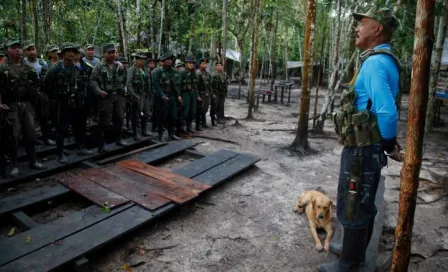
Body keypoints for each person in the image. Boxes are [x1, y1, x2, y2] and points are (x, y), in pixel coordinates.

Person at [318, 7, 404, 272]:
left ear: (377, 29)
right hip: (365, 148)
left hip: (362, 150)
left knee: (354, 201)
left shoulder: (376, 62)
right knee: (362, 199)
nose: (357, 28)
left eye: (363, 23)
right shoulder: (383, 59)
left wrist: (388, 144)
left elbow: (387, 110)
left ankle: (351, 262)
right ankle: (354, 250)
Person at [0, 39, 46, 176]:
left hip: (27, 104)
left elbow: (37, 86)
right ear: (7, 50)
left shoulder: (28, 68)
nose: (17, 50)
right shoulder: (3, 68)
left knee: (31, 133)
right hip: (11, 105)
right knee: (13, 136)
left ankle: (33, 161)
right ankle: (14, 164)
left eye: (19, 47)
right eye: (13, 48)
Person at [43, 43, 94, 163]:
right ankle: (60, 153)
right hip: (62, 103)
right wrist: (55, 99)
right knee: (62, 129)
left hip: (76, 102)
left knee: (80, 126)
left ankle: (81, 147)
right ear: (63, 54)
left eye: (73, 51)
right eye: (68, 51)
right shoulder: (55, 69)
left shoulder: (77, 68)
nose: (71, 53)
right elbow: (46, 86)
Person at [90, 43, 128, 153]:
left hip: (118, 96)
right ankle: (102, 144)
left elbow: (124, 79)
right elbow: (92, 80)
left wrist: (122, 91)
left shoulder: (119, 65)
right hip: (106, 97)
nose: (112, 55)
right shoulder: (99, 66)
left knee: (120, 118)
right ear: (104, 54)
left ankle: (118, 139)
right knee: (104, 121)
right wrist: (99, 91)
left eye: (113, 52)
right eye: (109, 53)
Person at [23, 40, 55, 146]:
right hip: (28, 95)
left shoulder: (42, 63)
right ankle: (32, 139)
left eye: (33, 49)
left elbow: (47, 79)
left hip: (41, 94)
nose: (31, 52)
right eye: (29, 50)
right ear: (25, 52)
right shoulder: (23, 63)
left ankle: (46, 137)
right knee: (29, 120)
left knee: (44, 117)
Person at [152, 52, 182, 141]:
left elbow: (175, 85)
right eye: (167, 59)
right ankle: (160, 135)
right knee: (161, 116)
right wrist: (162, 95)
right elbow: (156, 85)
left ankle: (171, 134)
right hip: (162, 98)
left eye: (171, 59)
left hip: (172, 97)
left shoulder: (174, 71)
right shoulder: (158, 71)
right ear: (163, 61)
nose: (169, 61)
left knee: (173, 116)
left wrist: (178, 96)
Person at [126, 51, 152, 140]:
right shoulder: (131, 70)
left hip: (145, 94)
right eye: (141, 59)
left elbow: (148, 82)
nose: (143, 61)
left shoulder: (146, 69)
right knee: (136, 114)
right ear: (136, 60)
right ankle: (135, 133)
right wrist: (134, 95)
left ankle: (144, 130)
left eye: (144, 59)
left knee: (146, 113)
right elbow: (128, 84)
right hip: (136, 95)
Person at [178, 55, 199, 133]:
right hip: (185, 93)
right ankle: (181, 127)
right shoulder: (182, 73)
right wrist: (179, 95)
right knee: (185, 111)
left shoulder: (194, 73)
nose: (191, 64)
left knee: (193, 111)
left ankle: (189, 127)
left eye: (192, 63)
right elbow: (179, 85)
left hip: (192, 94)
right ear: (186, 63)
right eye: (189, 63)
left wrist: (197, 95)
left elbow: (195, 85)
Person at [196, 58, 212, 127]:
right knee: (200, 109)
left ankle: (203, 122)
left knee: (205, 108)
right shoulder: (198, 73)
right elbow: (196, 86)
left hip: (207, 94)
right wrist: (197, 95)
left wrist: (211, 93)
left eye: (206, 64)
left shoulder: (207, 74)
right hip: (201, 94)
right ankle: (199, 123)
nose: (205, 65)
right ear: (199, 65)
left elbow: (209, 85)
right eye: (203, 64)